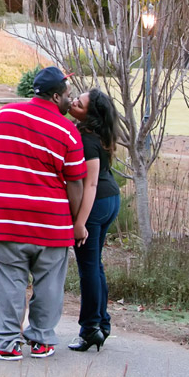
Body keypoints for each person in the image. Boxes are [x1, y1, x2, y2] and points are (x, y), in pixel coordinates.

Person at [0, 65, 87, 360]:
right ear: (55, 96)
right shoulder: (68, 132)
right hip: (51, 224)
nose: (70, 99)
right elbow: (75, 183)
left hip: (5, 219)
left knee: (9, 284)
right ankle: (41, 340)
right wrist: (76, 220)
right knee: (49, 284)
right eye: (67, 95)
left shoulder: (2, 116)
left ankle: (7, 344)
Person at [66, 88, 121, 352]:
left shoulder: (87, 140)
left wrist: (79, 224)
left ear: (91, 114)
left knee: (88, 267)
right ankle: (102, 324)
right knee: (95, 265)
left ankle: (89, 329)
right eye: (75, 98)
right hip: (109, 200)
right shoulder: (94, 134)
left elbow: (90, 185)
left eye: (79, 103)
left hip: (97, 203)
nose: (73, 102)